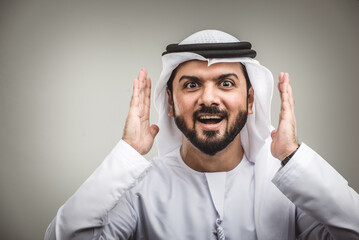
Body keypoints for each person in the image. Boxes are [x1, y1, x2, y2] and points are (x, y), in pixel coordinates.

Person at [44, 30, 359, 240]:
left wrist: (294, 158)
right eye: (191, 85)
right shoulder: (138, 190)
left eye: (225, 83)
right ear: (171, 102)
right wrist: (126, 153)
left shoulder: (290, 189)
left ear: (250, 100)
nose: (209, 99)